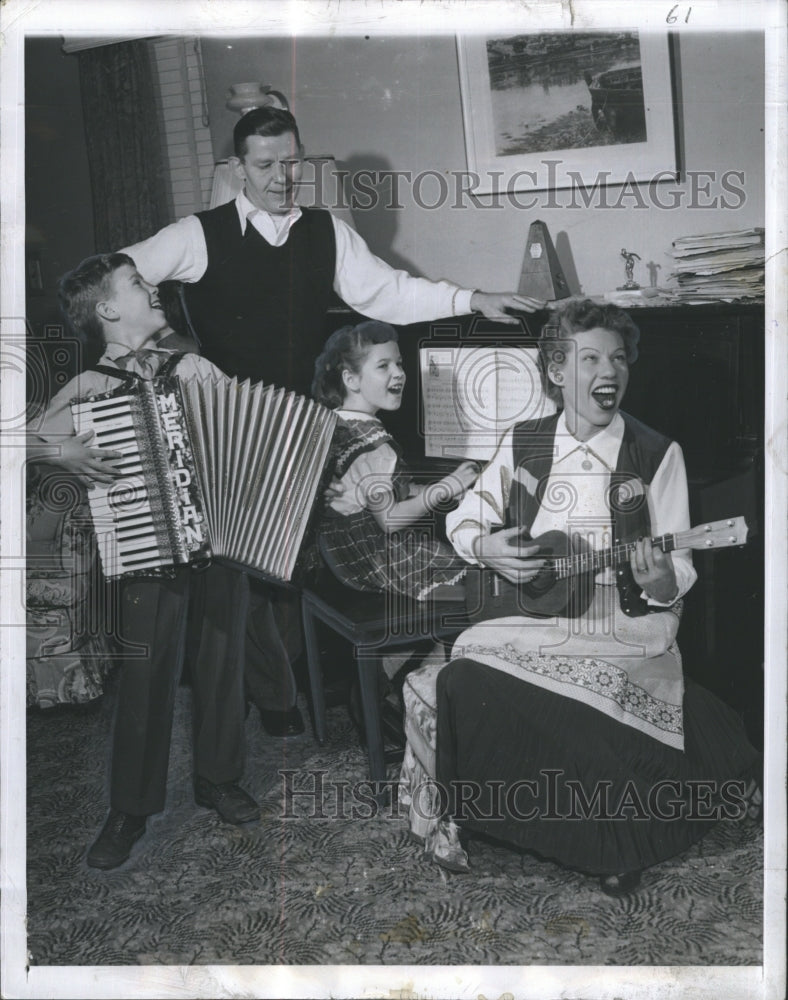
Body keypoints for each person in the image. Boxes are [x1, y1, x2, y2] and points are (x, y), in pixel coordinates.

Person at [119, 104, 544, 739]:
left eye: (291, 162)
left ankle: (298, 693)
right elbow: (111, 281)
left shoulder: (326, 232)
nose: (281, 177)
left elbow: (390, 292)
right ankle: (267, 697)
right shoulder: (196, 234)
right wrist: (168, 353)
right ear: (239, 169)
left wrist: (474, 299)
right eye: (265, 166)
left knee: (295, 561)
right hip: (227, 433)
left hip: (309, 430)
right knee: (239, 576)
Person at [399, 298, 762, 892]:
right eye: (589, 358)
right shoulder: (524, 441)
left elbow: (679, 570)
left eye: (618, 358)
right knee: (459, 678)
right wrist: (486, 547)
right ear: (556, 371)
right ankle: (487, 817)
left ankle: (611, 843)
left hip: (623, 614)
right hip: (531, 613)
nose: (609, 371)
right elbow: (465, 516)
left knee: (574, 703)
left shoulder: (655, 453)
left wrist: (658, 578)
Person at [31, 253, 259, 870]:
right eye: (136, 284)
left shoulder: (194, 368)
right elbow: (17, 436)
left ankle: (218, 778)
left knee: (220, 662)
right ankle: (130, 807)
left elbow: (245, 429)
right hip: (141, 547)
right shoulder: (87, 389)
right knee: (145, 677)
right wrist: (60, 449)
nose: (151, 286)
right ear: (107, 310)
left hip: (219, 540)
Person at [312, 320, 477, 601]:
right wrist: (445, 489)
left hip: (338, 555)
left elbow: (376, 490)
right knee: (476, 586)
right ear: (351, 379)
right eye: (383, 366)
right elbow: (390, 519)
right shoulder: (373, 444)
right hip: (376, 558)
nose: (399, 373)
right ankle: (440, 645)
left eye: (399, 363)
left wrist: (427, 489)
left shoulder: (337, 422)